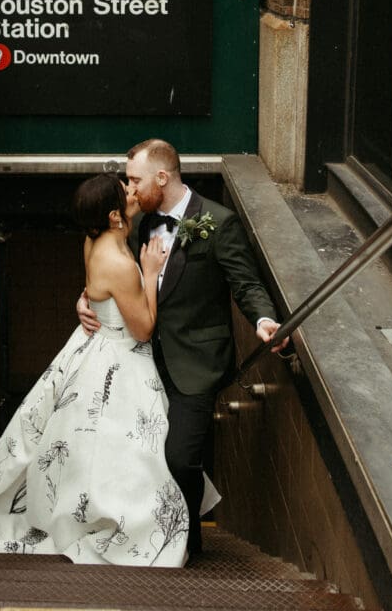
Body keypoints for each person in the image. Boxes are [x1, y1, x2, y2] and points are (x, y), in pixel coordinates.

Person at [0, 173, 219, 566]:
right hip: (119, 361)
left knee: (95, 448)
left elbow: (93, 291)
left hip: (90, 348)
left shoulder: (93, 239)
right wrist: (151, 273)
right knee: (129, 450)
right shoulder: (121, 261)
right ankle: (129, 530)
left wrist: (85, 300)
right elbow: (142, 329)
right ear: (115, 216)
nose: (131, 190)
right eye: (125, 191)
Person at [77, 140, 288, 557]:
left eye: (135, 180)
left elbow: (245, 284)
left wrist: (264, 321)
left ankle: (186, 543)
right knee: (133, 456)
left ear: (163, 177)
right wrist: (85, 299)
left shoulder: (220, 222)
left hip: (195, 363)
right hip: (139, 361)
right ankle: (144, 539)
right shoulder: (137, 222)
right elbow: (107, 266)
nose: (129, 190)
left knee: (179, 458)